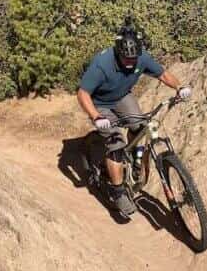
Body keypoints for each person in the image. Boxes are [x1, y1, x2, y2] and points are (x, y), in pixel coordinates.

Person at [77, 20, 191, 217]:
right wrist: (96, 116)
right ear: (118, 52)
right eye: (125, 59)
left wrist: (179, 87)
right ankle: (118, 190)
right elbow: (83, 93)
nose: (130, 62)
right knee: (116, 145)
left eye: (133, 59)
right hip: (100, 103)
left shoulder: (141, 58)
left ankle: (135, 161)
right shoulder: (102, 64)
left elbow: (163, 75)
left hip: (122, 96)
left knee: (140, 126)